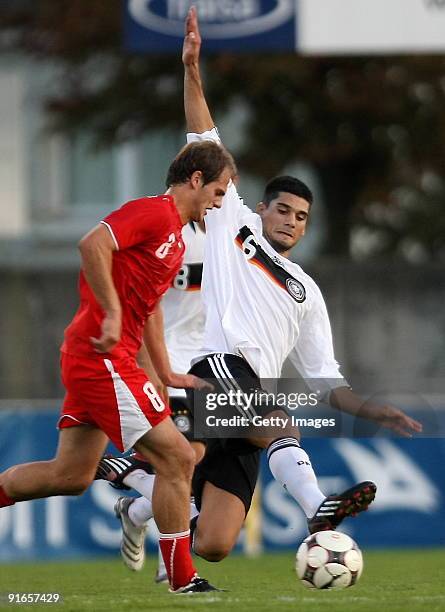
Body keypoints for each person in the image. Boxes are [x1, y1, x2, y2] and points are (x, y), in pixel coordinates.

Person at [179, 7, 423, 563]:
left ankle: (148, 504)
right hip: (217, 368)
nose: (290, 220)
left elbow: (327, 380)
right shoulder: (232, 223)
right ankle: (317, 508)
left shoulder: (307, 292)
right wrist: (193, 69)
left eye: (301, 216)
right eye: (282, 209)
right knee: (279, 419)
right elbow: (203, 135)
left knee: (213, 546)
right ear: (260, 208)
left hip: (247, 401)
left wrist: (371, 409)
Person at [0, 138, 236, 593]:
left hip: (107, 358)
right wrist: (110, 311)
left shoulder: (177, 236)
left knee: (69, 476)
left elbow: (147, 310)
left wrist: (164, 374)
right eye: (219, 192)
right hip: (100, 358)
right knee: (179, 456)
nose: (218, 204)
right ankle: (182, 579)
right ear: (195, 180)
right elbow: (92, 244)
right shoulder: (154, 213)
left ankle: (172, 563)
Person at [95, 221, 207, 583]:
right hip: (168, 361)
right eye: (220, 188)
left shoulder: (231, 233)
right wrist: (150, 367)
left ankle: (138, 506)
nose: (223, 197)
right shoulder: (166, 230)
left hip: (209, 363)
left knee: (196, 458)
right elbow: (144, 303)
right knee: (178, 460)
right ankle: (171, 564)